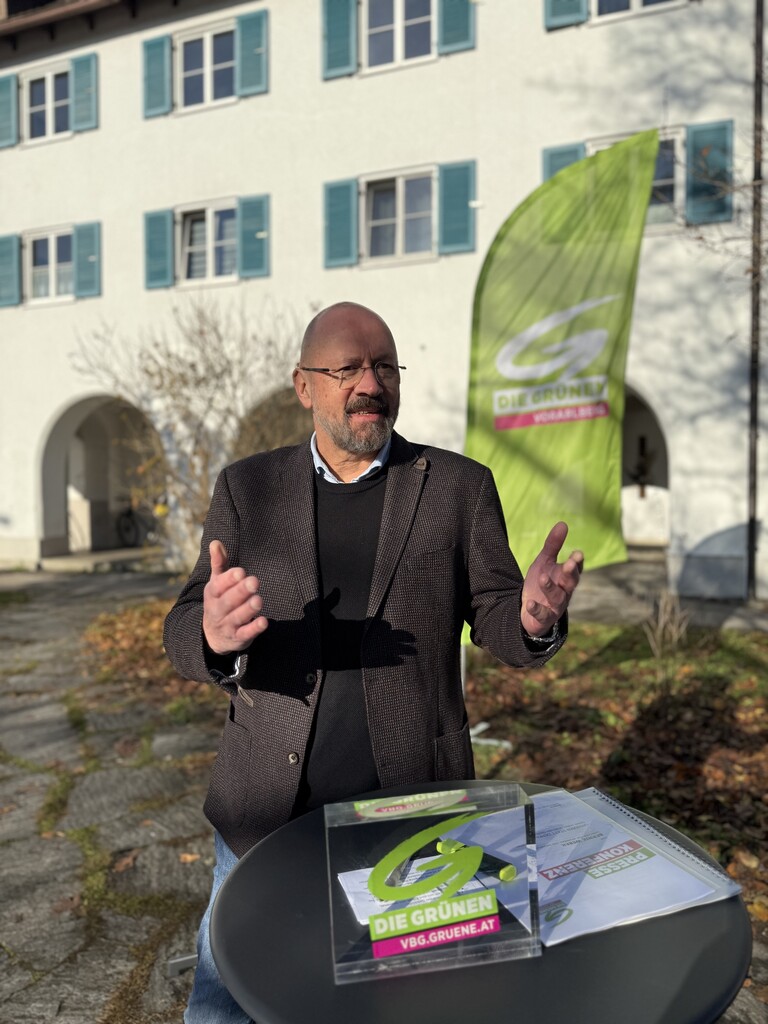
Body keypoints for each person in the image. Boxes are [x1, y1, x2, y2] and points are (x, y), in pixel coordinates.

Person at [163, 300, 584, 1023]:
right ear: (305, 386)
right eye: (348, 368)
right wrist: (212, 633)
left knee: (407, 1002)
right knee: (229, 998)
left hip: (411, 809)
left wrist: (531, 616)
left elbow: (495, 614)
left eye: (385, 365)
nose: (371, 382)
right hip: (266, 808)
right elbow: (183, 624)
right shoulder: (248, 488)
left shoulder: (457, 486)